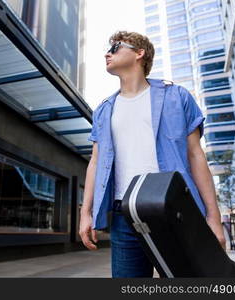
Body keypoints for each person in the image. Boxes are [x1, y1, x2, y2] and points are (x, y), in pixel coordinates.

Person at [79, 30, 226, 278]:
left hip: (175, 210)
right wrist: (86, 213)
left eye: (115, 47)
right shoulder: (103, 110)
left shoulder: (176, 96)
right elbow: (95, 162)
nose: (107, 53)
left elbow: (195, 156)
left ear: (140, 53)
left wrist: (213, 217)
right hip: (124, 215)